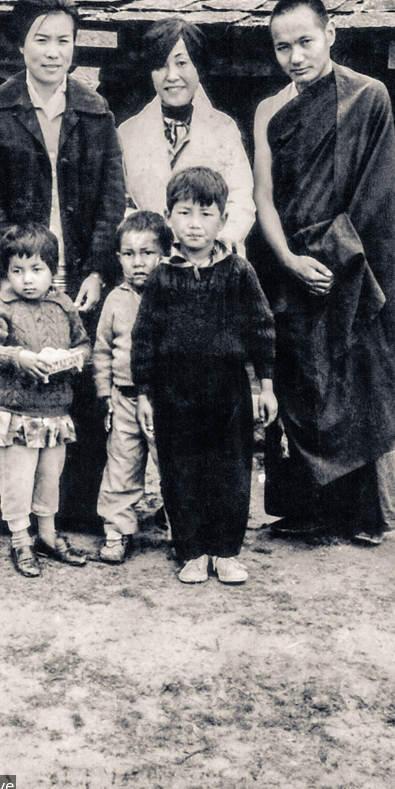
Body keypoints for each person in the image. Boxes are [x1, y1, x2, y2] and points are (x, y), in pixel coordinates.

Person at [252, 0, 395, 545]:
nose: (296, 56)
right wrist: (288, 259)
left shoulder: (368, 98)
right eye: (283, 47)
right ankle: (307, 508)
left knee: (358, 378)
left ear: (332, 34)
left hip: (353, 266)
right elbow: (265, 199)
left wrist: (332, 254)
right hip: (293, 266)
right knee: (302, 380)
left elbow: (377, 195)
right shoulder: (270, 110)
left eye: (305, 41)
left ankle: (366, 514)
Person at [0, 0, 126, 525]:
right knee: (12, 382)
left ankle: (72, 510)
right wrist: (16, 271)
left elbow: (110, 197)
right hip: (15, 273)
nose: (53, 52)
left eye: (64, 41)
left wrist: (99, 269)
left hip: (77, 273)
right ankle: (4, 510)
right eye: (42, 40)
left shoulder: (95, 109)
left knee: (72, 384)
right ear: (22, 45)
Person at [132, 167, 277, 585]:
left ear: (224, 219)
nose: (195, 224)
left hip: (227, 388)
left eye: (206, 214)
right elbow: (144, 338)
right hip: (174, 391)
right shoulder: (161, 276)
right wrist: (144, 393)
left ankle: (226, 551)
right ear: (168, 217)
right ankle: (192, 551)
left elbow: (261, 328)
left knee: (230, 471)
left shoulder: (238, 272)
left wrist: (265, 386)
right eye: (185, 212)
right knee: (181, 471)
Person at [0, 224, 92, 577]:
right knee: (17, 480)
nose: (27, 279)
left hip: (55, 411)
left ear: (53, 271)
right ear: (7, 272)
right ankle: (20, 540)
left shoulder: (63, 304)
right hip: (15, 413)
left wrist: (74, 359)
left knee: (49, 478)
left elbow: (83, 343)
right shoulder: (3, 305)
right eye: (17, 271)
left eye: (37, 270)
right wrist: (19, 357)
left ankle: (48, 535)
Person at [116, 18, 255, 257]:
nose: (172, 75)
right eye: (161, 66)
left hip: (212, 258)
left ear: (197, 67)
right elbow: (122, 203)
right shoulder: (128, 133)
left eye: (182, 63)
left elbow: (240, 197)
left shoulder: (224, 128)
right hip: (150, 262)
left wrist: (225, 236)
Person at [93, 210, 174, 563]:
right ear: (118, 258)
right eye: (129, 254)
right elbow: (101, 350)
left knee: (172, 463)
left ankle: (181, 525)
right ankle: (117, 530)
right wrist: (104, 395)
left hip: (165, 399)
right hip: (124, 399)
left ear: (164, 255)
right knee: (122, 465)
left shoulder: (176, 297)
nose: (137, 263)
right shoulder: (115, 300)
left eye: (147, 253)